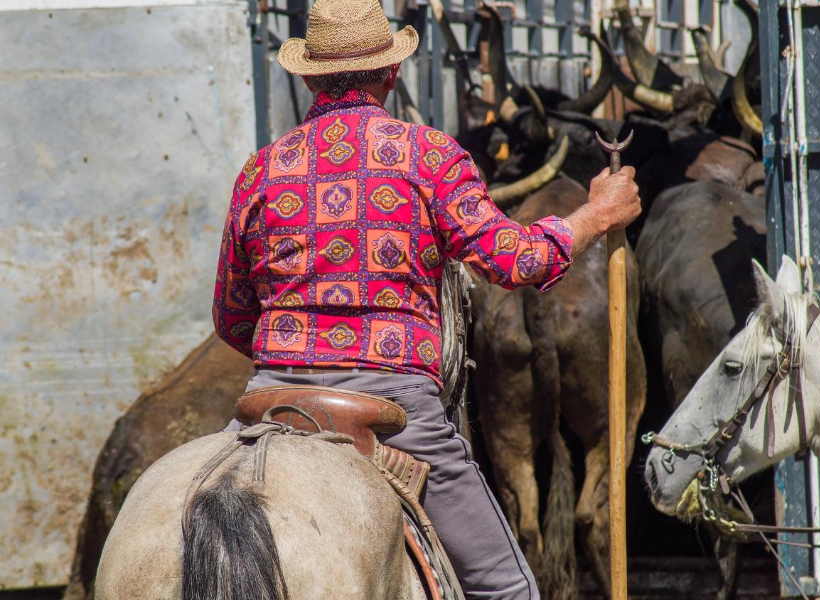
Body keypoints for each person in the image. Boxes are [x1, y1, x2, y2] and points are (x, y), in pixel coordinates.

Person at [213, 0, 640, 597]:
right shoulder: (428, 157)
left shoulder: (260, 171)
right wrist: (595, 216)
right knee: (507, 589)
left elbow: (232, 317)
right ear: (391, 74)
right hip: (392, 409)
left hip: (270, 399)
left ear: (308, 76)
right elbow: (515, 260)